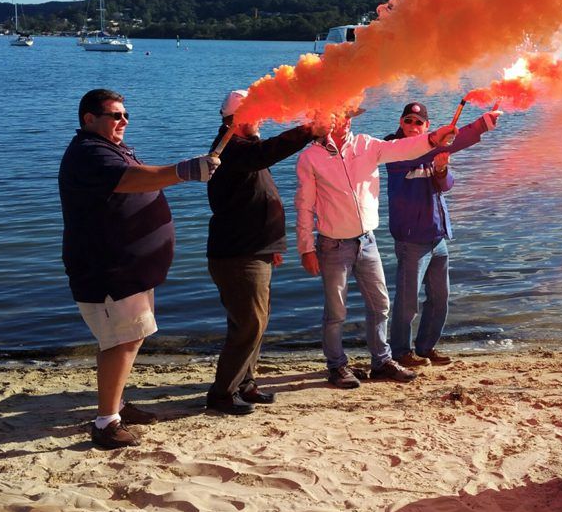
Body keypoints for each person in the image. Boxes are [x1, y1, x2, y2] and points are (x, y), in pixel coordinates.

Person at [58, 88, 219, 449]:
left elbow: (137, 179)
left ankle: (114, 404)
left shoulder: (111, 148)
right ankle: (105, 423)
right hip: (108, 271)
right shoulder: (89, 153)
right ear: (89, 119)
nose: (125, 121)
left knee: (128, 337)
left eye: (125, 114)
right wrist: (185, 171)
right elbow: (133, 180)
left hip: (129, 271)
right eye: (116, 115)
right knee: (122, 340)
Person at [296, 107, 456, 389]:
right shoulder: (310, 157)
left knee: (380, 306)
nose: (343, 121)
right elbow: (304, 205)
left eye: (347, 115)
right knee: (336, 313)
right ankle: (336, 366)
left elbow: (402, 148)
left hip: (367, 241)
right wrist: (306, 247)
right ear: (324, 120)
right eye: (337, 115)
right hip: (333, 245)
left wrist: (433, 139)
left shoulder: (366, 145)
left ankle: (381, 361)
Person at [204, 90, 321, 415]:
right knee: (249, 324)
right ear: (234, 120)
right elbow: (267, 152)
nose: (260, 122)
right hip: (238, 255)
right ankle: (222, 394)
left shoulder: (244, 150)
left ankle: (245, 384)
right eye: (253, 116)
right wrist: (311, 129)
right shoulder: (229, 149)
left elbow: (257, 197)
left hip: (255, 250)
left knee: (255, 321)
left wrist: (272, 244)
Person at [384, 102, 502, 367]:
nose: (412, 126)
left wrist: (440, 168)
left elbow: (445, 186)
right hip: (411, 240)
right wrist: (480, 126)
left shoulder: (430, 150)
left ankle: (425, 348)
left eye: (418, 122)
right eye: (408, 121)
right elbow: (434, 149)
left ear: (426, 126)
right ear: (401, 124)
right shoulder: (393, 150)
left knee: (439, 298)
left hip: (437, 237)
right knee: (408, 301)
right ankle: (400, 351)